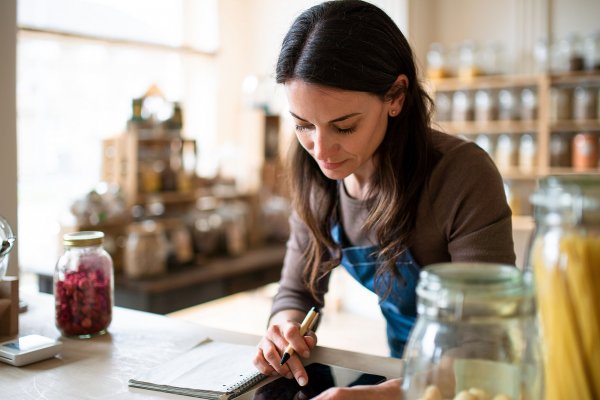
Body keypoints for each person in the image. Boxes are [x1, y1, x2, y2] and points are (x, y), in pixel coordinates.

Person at [253, 1, 515, 398]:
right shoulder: (317, 177)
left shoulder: (462, 176)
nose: (321, 149)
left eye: (344, 126)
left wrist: (382, 395)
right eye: (304, 125)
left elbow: (485, 343)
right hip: (399, 372)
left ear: (396, 96)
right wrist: (284, 330)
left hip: (471, 383)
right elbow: (297, 293)